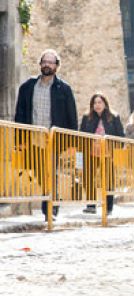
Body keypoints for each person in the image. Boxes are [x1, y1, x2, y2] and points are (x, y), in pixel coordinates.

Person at [13, 49, 78, 221]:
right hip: (33, 139)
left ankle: (50, 209)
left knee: (51, 172)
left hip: (54, 139)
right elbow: (19, 114)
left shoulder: (64, 89)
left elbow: (72, 116)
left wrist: (72, 144)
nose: (47, 65)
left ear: (56, 66)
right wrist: (19, 140)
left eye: (50, 62)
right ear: (40, 64)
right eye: (44, 61)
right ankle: (50, 203)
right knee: (41, 173)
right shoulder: (27, 87)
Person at [79, 93, 124, 215]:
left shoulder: (113, 117)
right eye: (95, 103)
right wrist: (80, 153)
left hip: (108, 154)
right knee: (88, 178)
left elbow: (120, 135)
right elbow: (81, 135)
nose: (97, 105)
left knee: (109, 180)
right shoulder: (87, 117)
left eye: (100, 102)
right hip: (91, 153)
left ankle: (108, 207)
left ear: (105, 104)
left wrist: (117, 150)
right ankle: (91, 205)